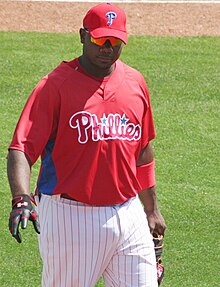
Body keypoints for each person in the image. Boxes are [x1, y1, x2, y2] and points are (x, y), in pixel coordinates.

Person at [7, 3, 166, 287]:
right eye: (100, 39)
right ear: (83, 35)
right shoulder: (54, 86)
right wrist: (21, 197)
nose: (107, 47)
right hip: (71, 217)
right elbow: (22, 148)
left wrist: (151, 210)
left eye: (115, 41)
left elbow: (142, 152)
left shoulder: (135, 82)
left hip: (129, 214)